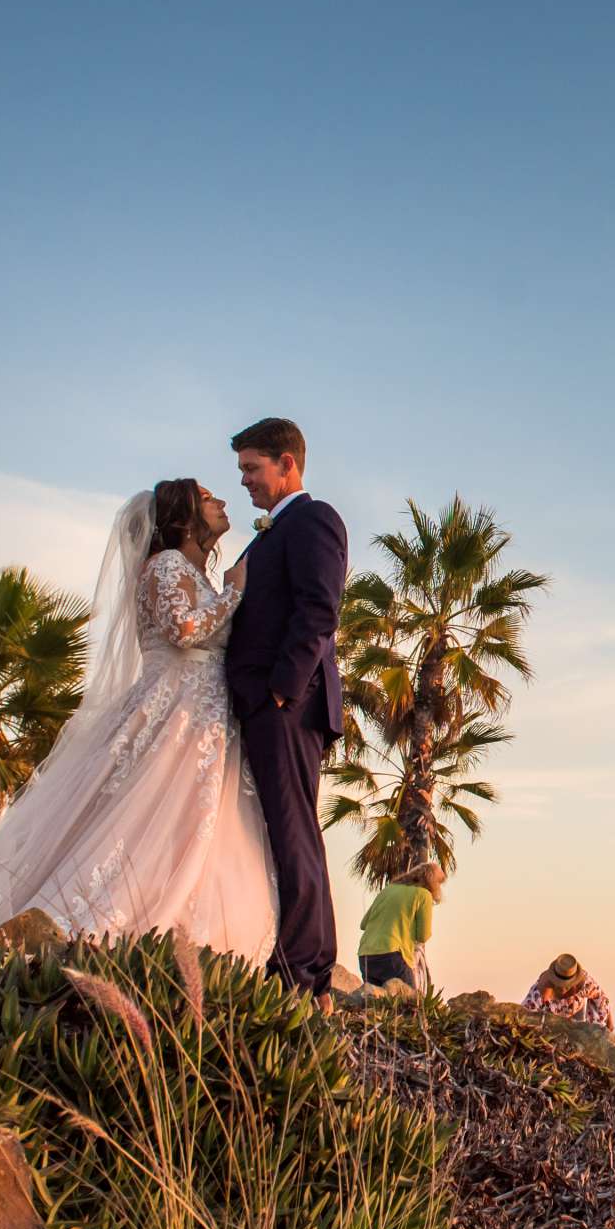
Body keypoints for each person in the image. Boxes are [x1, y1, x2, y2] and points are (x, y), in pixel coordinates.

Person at [0, 480, 278, 962]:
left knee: (188, 821)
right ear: (184, 517)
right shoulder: (165, 565)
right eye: (208, 498)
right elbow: (182, 631)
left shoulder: (188, 570)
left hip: (201, 714)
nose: (222, 502)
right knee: (147, 813)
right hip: (174, 710)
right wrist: (232, 594)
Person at [223, 417, 349, 1004]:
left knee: (293, 829)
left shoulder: (313, 519)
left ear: (287, 464)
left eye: (252, 467)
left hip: (286, 705)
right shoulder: (273, 531)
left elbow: (320, 609)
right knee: (289, 828)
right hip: (268, 703)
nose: (244, 480)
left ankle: (300, 970)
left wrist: (281, 690)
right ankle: (311, 959)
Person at [357, 862, 443, 990]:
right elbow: (423, 936)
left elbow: (364, 924)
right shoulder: (424, 895)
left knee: (375, 1004)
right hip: (393, 956)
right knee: (410, 1005)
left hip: (366, 956)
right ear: (433, 882)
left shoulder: (388, 890)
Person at [523, 953, 614, 1031]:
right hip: (551, 1020)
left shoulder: (585, 984)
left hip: (577, 1012)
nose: (564, 988)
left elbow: (602, 999)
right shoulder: (540, 991)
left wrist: (607, 1026)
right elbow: (524, 1014)